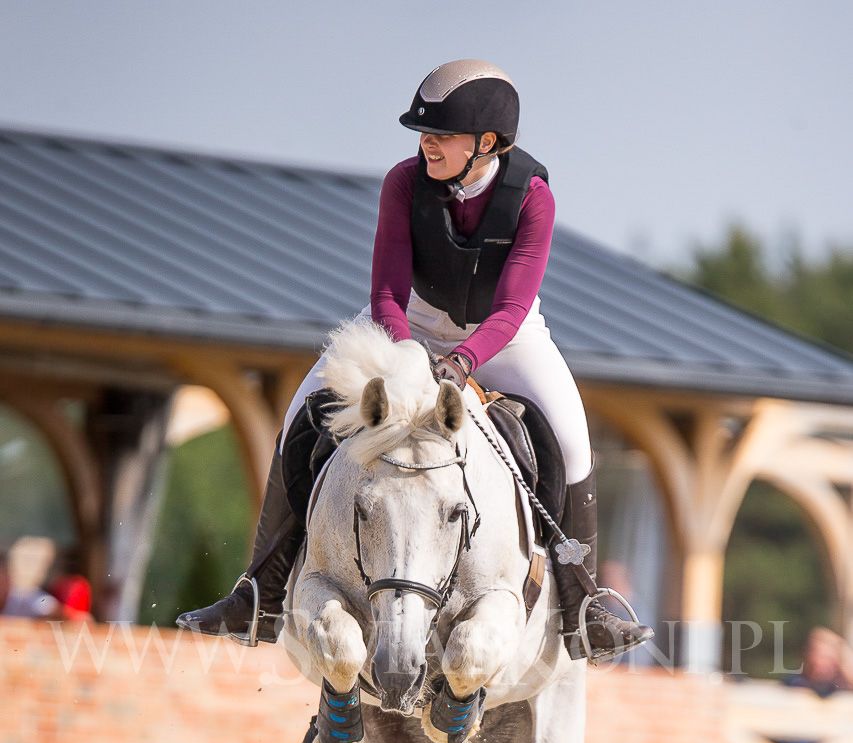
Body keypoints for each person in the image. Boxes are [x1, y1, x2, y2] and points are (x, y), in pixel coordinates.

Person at [177, 60, 652, 660]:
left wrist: (463, 362)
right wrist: (407, 355)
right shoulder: (403, 183)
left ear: (487, 143)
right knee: (300, 411)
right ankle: (260, 594)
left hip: (502, 336)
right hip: (412, 324)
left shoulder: (533, 199)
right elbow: (386, 293)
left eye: (442, 134)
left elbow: (511, 308)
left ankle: (585, 607)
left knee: (572, 439)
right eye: (424, 132)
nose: (427, 143)